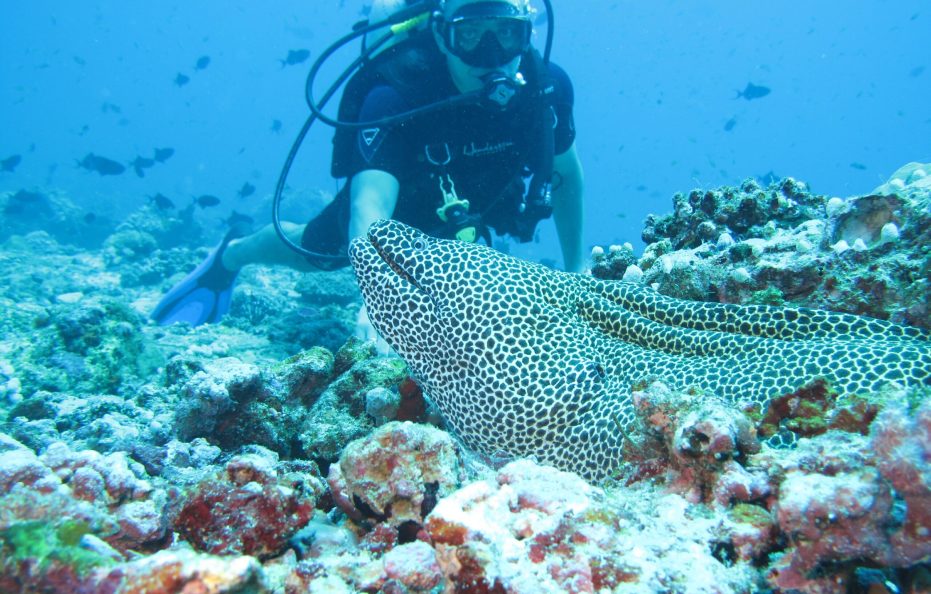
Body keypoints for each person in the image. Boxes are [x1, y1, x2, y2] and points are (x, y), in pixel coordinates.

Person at [151, 0, 584, 343]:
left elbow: (567, 179)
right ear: (441, 33)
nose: (492, 56)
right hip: (403, 196)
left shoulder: (548, 87)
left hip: (479, 200)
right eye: (470, 34)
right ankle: (232, 255)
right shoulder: (397, 92)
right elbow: (371, 203)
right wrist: (381, 299)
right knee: (317, 251)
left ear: (527, 34)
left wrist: (576, 273)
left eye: (508, 34)